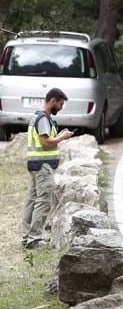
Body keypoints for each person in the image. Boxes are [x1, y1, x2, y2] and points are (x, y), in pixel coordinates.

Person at [22, 88, 73, 249]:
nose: (61, 107)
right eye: (60, 104)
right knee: (43, 201)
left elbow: (46, 139)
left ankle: (26, 236)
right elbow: (45, 143)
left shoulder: (37, 117)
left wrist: (58, 136)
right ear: (53, 100)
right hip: (43, 167)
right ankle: (34, 239)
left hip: (35, 164)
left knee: (32, 200)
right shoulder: (43, 118)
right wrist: (62, 137)